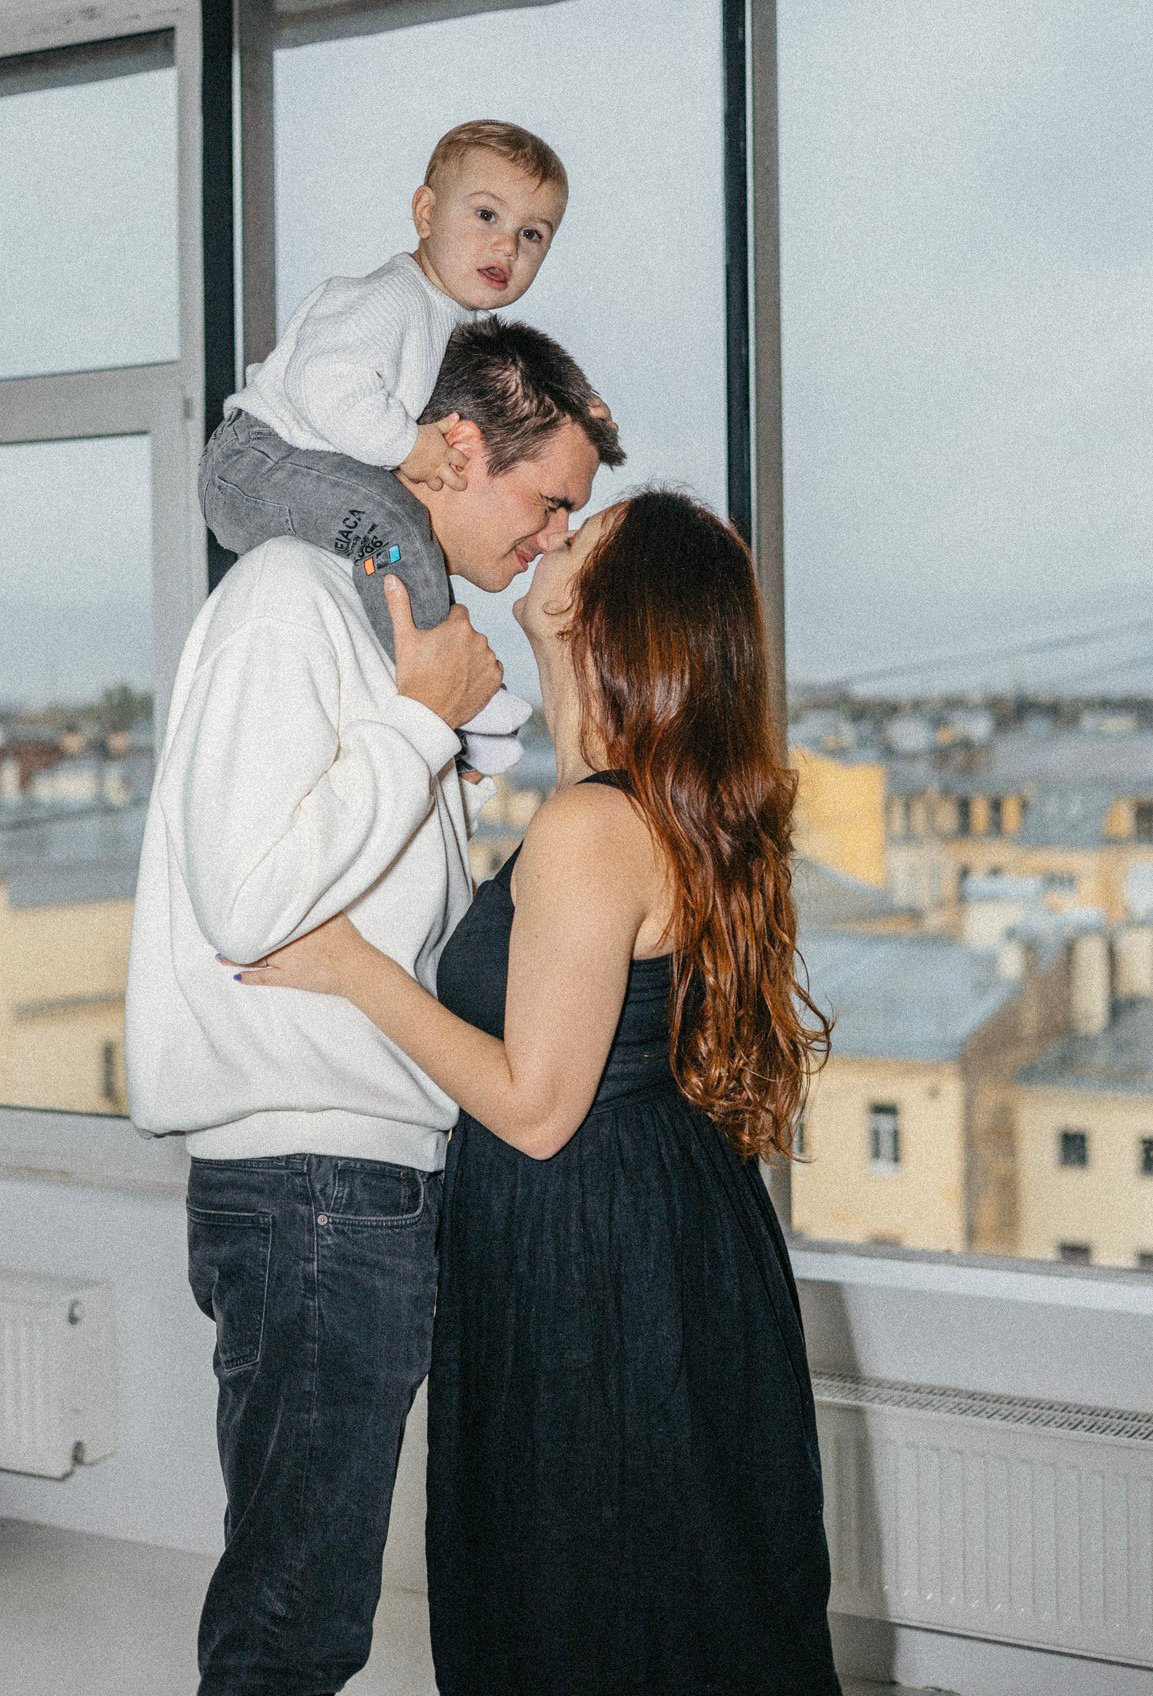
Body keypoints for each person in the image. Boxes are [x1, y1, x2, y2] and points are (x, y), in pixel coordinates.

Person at [233, 489, 844, 1696]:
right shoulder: (652, 809)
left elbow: (531, 1104)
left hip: (594, 1244)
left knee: (586, 1586)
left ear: (608, 618)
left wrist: (349, 964)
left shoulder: (588, 826)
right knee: (673, 1582)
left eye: (581, 539)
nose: (549, 540)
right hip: (662, 1228)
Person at [124, 318, 624, 1696]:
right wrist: (416, 726)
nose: (553, 534)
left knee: (309, 1600)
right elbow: (252, 896)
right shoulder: (291, 591)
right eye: (547, 499)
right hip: (312, 1186)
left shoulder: (378, 620)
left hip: (351, 1184)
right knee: (298, 1616)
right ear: (458, 447)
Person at [199, 117, 607, 776]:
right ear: (425, 212)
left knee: (393, 540)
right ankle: (444, 692)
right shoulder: (393, 299)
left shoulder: (443, 318)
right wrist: (404, 444)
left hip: (297, 466)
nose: (507, 245)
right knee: (395, 526)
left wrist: (577, 415)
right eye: (485, 215)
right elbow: (320, 383)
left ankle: (450, 710)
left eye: (532, 235)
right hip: (258, 460)